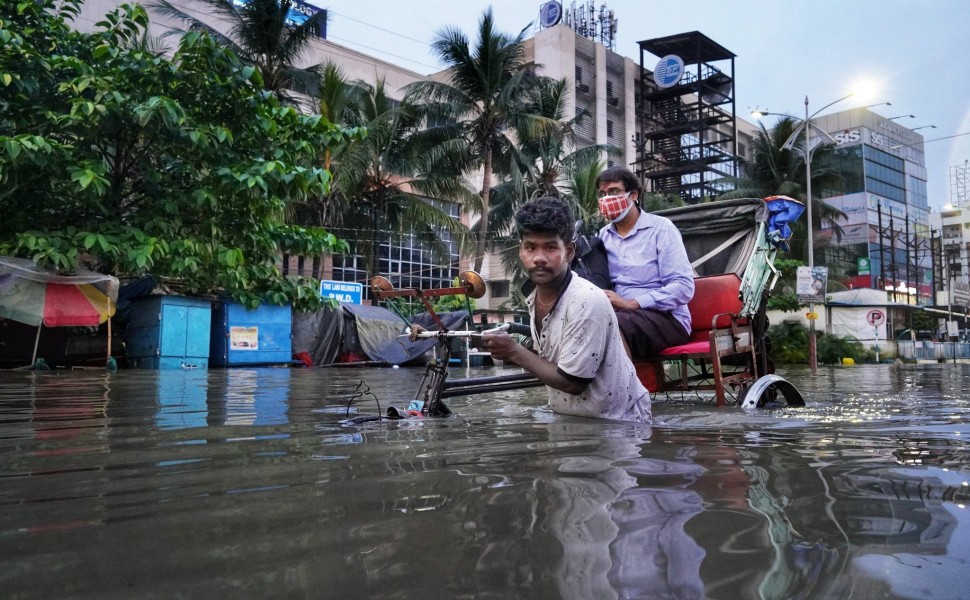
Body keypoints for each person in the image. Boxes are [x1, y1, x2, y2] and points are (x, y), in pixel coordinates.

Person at [482, 196, 650, 423]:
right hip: (574, 422)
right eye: (530, 247)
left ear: (569, 252)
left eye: (550, 247)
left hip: (620, 426)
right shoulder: (533, 296)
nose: (539, 258)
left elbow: (573, 383)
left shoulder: (586, 300)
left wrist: (513, 351)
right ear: (520, 251)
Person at [595, 167, 694, 359]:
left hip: (667, 319)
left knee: (611, 324)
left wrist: (633, 303)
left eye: (614, 191)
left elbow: (683, 287)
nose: (607, 198)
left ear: (633, 195)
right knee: (589, 322)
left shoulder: (661, 229)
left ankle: (625, 387)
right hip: (619, 315)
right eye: (603, 194)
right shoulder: (601, 237)